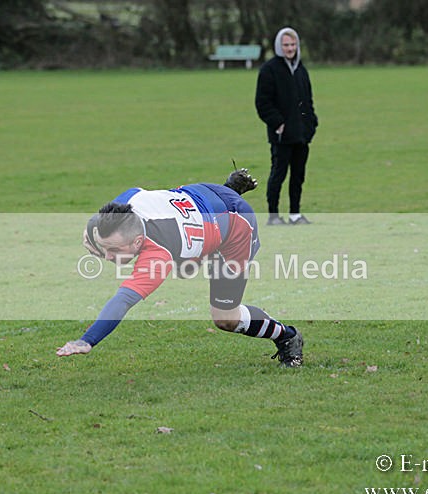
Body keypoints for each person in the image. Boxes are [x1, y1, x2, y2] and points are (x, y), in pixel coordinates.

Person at [56, 169, 304, 367]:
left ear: (139, 241)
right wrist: (92, 235)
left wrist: (87, 340)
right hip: (203, 195)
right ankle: (229, 192)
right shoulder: (127, 202)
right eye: (104, 249)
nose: (107, 257)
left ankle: (287, 336)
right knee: (186, 264)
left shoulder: (158, 255)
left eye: (115, 250)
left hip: (237, 226)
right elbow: (99, 222)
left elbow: (122, 300)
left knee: (224, 317)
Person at [255, 27, 318, 226]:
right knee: (278, 175)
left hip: (301, 135)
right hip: (281, 135)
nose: (290, 48)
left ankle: (295, 215)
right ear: (279, 46)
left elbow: (307, 101)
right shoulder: (269, 70)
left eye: (293, 45)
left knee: (298, 176)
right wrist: (278, 123)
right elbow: (262, 103)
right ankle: (273, 216)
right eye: (286, 45)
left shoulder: (301, 70)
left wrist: (311, 124)